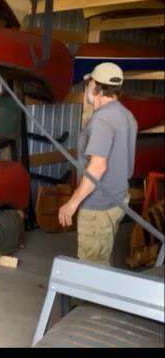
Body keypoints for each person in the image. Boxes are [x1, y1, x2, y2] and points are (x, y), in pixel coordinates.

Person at [58, 62, 137, 266]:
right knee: (102, 256)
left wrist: (72, 204)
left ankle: (94, 298)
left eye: (88, 85)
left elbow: (97, 167)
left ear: (95, 85)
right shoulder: (127, 116)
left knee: (91, 266)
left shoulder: (102, 119)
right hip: (118, 200)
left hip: (98, 205)